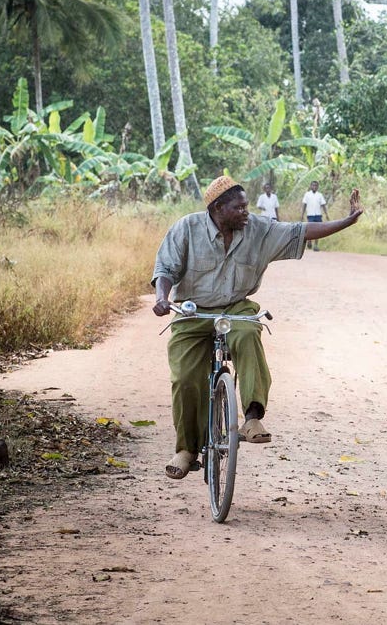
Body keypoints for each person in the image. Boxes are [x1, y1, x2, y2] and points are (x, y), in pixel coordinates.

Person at [152, 175, 363, 480]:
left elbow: (301, 231)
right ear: (218, 208)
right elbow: (165, 269)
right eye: (238, 207)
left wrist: (348, 221)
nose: (245, 213)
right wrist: (161, 297)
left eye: (246, 207)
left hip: (236, 306)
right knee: (185, 378)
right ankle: (186, 450)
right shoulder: (187, 228)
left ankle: (252, 418)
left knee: (250, 333)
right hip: (193, 310)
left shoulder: (258, 229)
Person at [302, 181, 329, 251]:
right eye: (313, 185)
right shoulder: (307, 194)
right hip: (310, 215)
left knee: (318, 230)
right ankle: (309, 241)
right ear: (310, 186)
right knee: (310, 229)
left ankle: (316, 245)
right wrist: (302, 214)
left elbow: (323, 205)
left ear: (318, 187)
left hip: (318, 215)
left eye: (316, 186)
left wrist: (326, 214)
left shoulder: (320, 195)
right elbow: (304, 205)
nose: (314, 187)